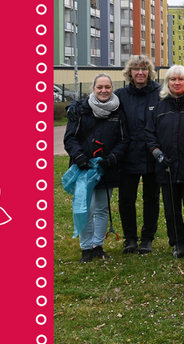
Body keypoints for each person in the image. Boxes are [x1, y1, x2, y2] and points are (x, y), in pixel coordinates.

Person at [63, 74, 128, 262]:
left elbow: (124, 140)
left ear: (112, 88)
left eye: (107, 87)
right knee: (85, 208)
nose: (104, 90)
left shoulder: (118, 112)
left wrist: (111, 158)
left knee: (101, 209)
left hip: (107, 168)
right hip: (83, 169)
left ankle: (97, 246)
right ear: (93, 88)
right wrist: (80, 157)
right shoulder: (80, 110)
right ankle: (86, 248)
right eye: (100, 87)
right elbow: (70, 138)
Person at [144, 66, 184, 258]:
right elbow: (149, 133)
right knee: (171, 211)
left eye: (180, 79)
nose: (177, 83)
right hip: (167, 167)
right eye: (172, 79)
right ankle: (178, 243)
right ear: (167, 82)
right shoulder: (159, 106)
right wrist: (157, 153)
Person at [114, 55, 162, 255]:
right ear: (130, 72)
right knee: (126, 199)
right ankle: (130, 239)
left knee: (151, 198)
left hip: (152, 155)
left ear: (149, 71)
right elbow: (99, 102)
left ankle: (147, 239)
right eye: (136, 68)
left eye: (144, 68)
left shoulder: (160, 93)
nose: (140, 72)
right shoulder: (120, 95)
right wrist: (75, 107)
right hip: (128, 156)